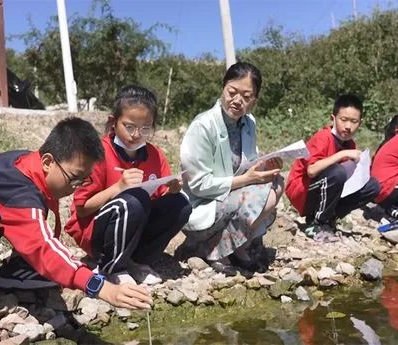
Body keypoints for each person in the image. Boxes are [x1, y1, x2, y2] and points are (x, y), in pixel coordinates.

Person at [0, 117, 152, 331]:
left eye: (83, 181)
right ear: (47, 162)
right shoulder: (19, 189)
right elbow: (42, 247)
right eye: (74, 179)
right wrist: (101, 287)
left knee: (1, 213)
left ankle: (16, 268)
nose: (75, 188)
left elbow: (35, 230)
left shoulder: (28, 164)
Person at [64, 85, 191, 285]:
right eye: (129, 126)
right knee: (133, 200)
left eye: (145, 128)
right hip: (98, 233)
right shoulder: (98, 153)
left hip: (134, 230)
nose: (136, 134)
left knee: (180, 204)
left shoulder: (155, 155)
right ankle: (111, 266)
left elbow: (157, 203)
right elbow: (82, 208)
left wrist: (171, 190)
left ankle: (138, 261)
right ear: (114, 122)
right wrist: (118, 188)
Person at [179, 61, 284, 276]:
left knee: (278, 182)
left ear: (254, 100)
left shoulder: (248, 123)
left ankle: (236, 245)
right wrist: (247, 180)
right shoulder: (203, 125)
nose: (237, 101)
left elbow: (248, 163)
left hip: (229, 197)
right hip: (203, 206)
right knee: (264, 197)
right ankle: (213, 248)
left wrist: (267, 166)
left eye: (246, 97)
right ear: (223, 88)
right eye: (232, 92)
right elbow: (198, 185)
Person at [285, 94, 380, 240]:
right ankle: (316, 223)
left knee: (372, 185)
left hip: (325, 189)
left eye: (354, 122)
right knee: (337, 172)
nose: (348, 126)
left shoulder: (349, 143)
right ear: (333, 118)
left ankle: (330, 218)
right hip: (302, 191)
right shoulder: (323, 137)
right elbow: (311, 171)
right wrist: (342, 154)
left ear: (360, 123)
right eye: (344, 120)